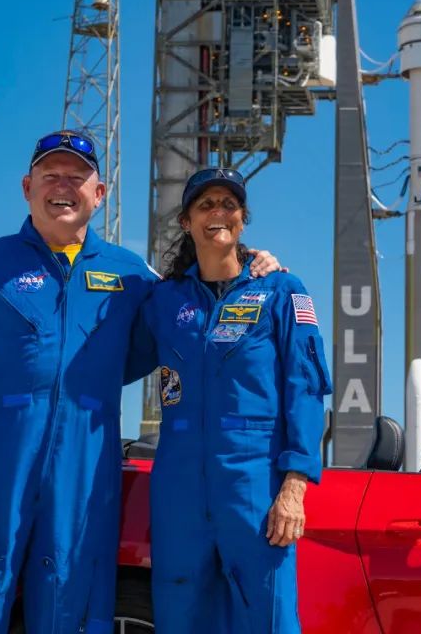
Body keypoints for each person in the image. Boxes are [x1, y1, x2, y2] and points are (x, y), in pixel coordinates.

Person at [0, 131, 281, 634]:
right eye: (51, 176)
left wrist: (251, 263)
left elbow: (192, 308)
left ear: (99, 193)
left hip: (87, 460)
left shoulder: (132, 276)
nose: (63, 187)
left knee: (73, 591)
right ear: (27, 187)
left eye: (77, 178)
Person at [141, 167, 331, 633]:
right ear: (186, 221)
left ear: (243, 220)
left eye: (229, 205)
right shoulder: (163, 300)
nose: (218, 213)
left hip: (255, 481)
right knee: (179, 615)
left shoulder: (282, 290)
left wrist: (294, 486)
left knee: (268, 617)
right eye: (205, 205)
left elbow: (306, 389)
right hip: (179, 484)